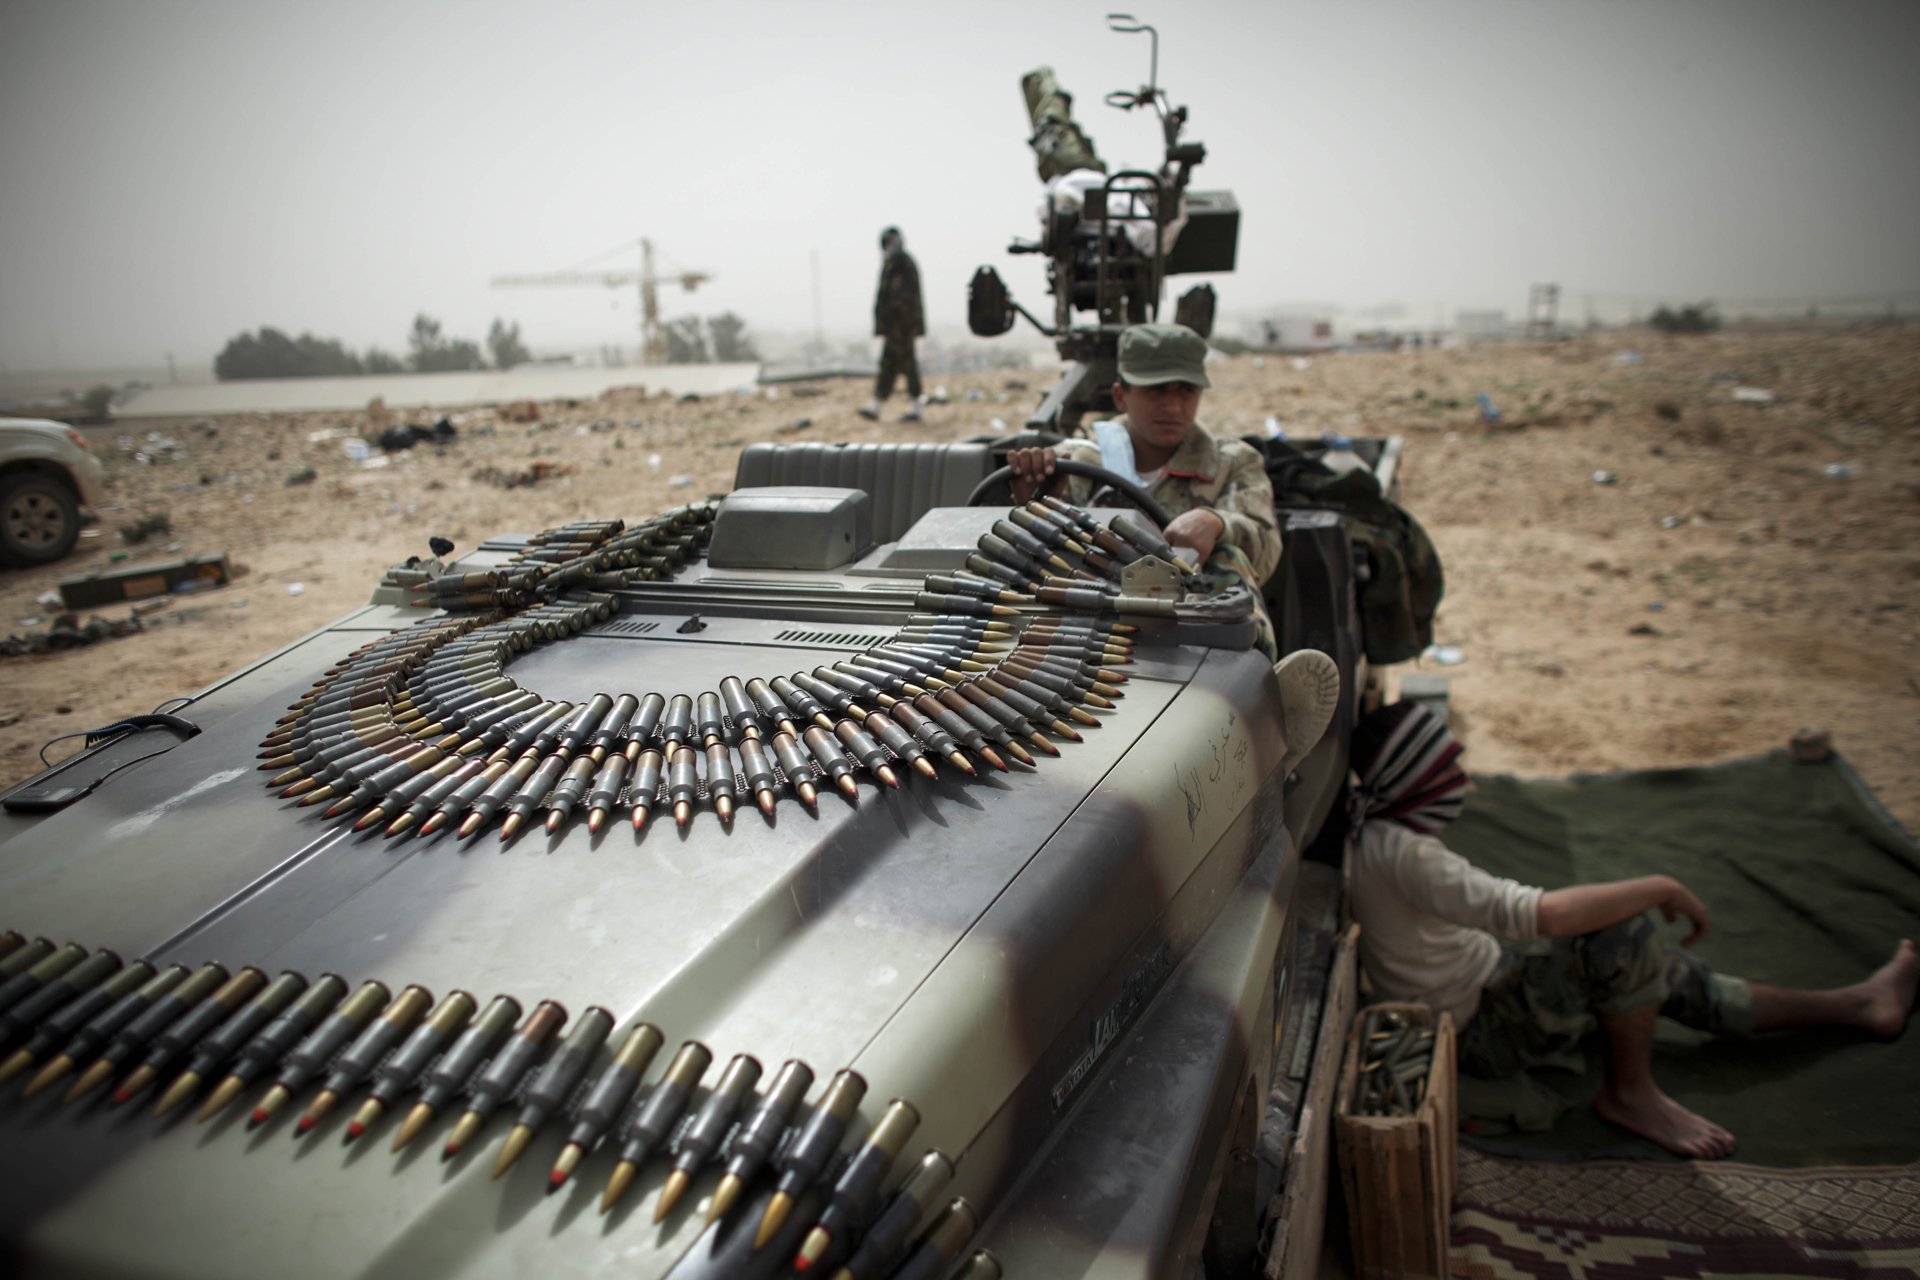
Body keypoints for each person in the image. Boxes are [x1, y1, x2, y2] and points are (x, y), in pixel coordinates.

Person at [1347, 700, 1918, 1159]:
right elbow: (1543, 915)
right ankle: (1631, 1095)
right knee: (1622, 937)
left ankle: (1857, 1004)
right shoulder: (1407, 855)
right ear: (1414, 781)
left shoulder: (1378, 838)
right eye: (1447, 767)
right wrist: (1661, 886)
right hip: (1479, 1031)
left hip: (1483, 991)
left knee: (1661, 970)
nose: (1462, 778)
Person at [1006, 322, 1283, 660]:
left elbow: (1266, 548)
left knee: (1229, 558)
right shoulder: (1081, 460)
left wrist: (1216, 523)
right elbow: (1050, 556)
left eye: (1186, 391)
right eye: (1157, 391)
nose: (1173, 406)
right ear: (1122, 396)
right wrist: (1033, 499)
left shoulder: (1230, 462)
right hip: (1093, 624)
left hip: (1198, 629)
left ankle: (1261, 685)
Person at [858, 227, 926, 424]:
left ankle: (914, 406)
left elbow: (903, 299)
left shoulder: (903, 264)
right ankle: (878, 404)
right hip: (895, 328)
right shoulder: (893, 263)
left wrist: (895, 321)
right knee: (890, 365)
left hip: (902, 327)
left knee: (906, 365)